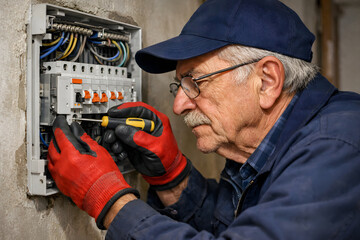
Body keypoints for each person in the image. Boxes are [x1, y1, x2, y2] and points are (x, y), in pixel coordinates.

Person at [47, 0, 360, 239]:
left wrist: (110, 201)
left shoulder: (341, 148)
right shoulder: (264, 148)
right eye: (179, 84)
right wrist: (174, 179)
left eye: (195, 81)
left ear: (266, 81)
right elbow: (240, 227)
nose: (179, 105)